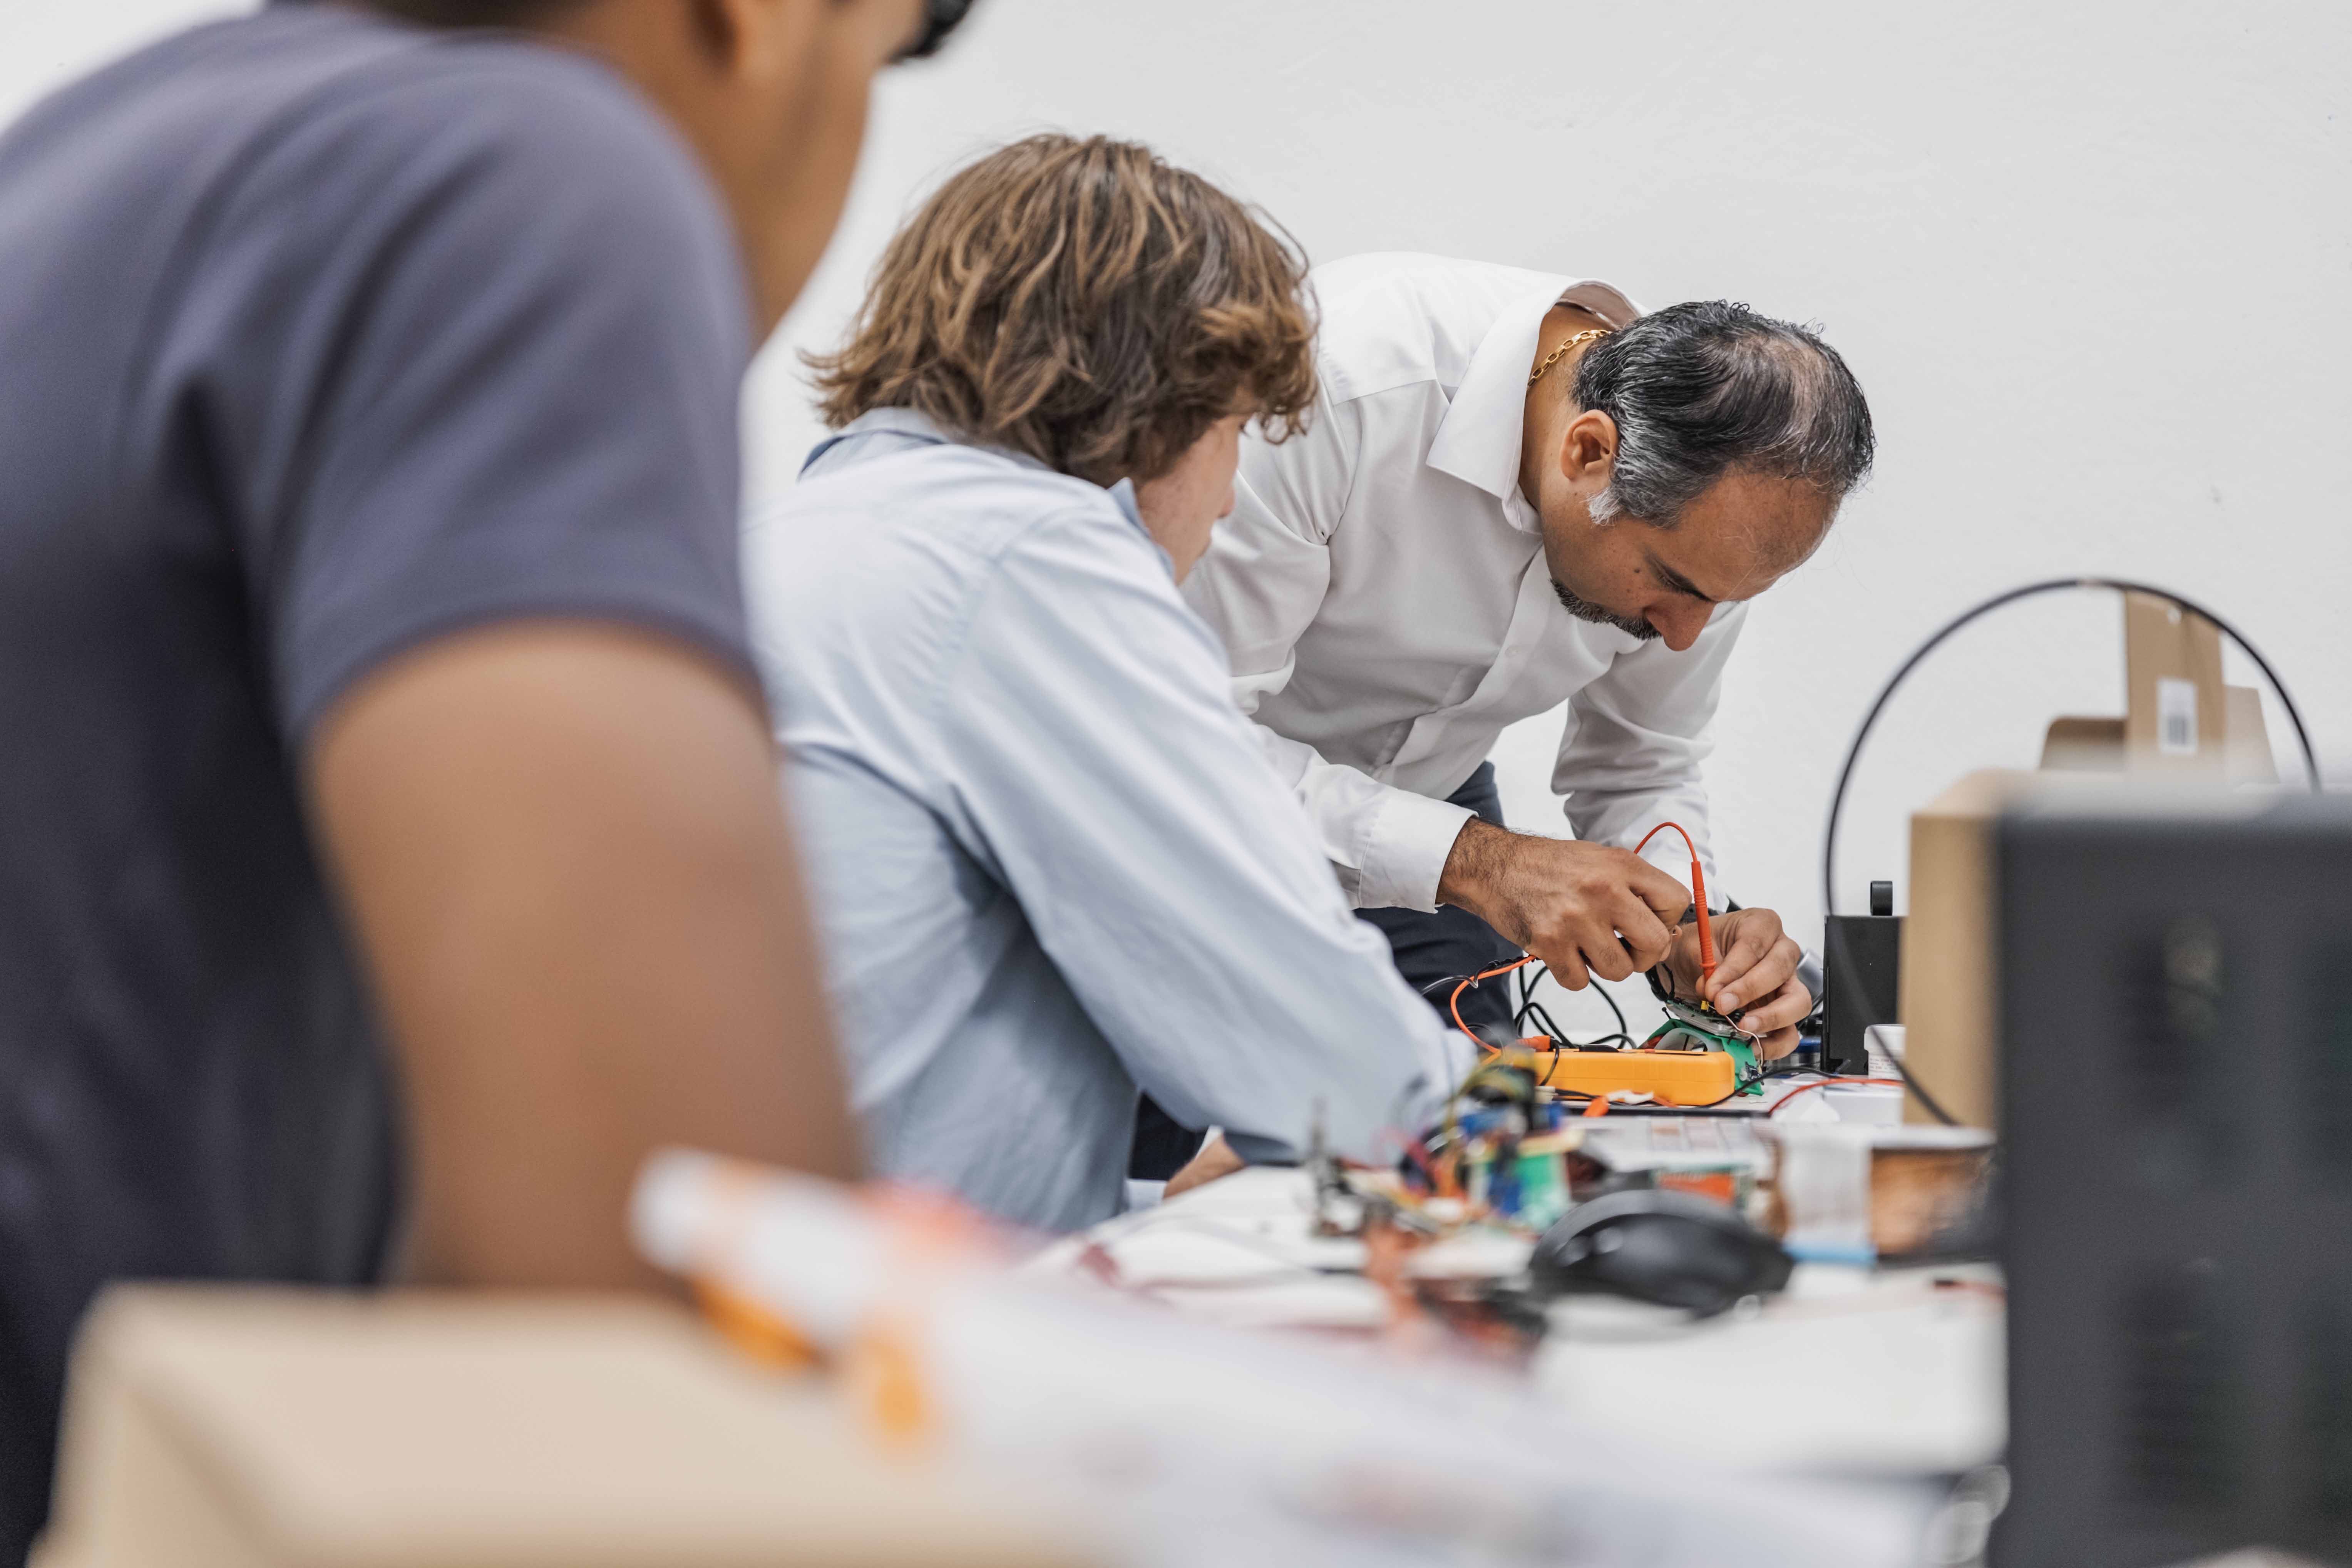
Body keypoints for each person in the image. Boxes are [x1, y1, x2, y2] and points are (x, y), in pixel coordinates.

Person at [0, 0, 968, 1554]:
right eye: (886, 60)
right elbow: (660, 1349)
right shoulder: (521, 171)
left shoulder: (86, 163)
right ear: (767, 21)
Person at [744, 134, 1465, 1233]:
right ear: (1169, 404)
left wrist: (1142, 1201)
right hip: (888, 1313)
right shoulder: (1029, 555)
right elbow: (1356, 1090)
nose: (1229, 499)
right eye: (1235, 431)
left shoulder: (782, 538)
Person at [1180, 254, 1876, 1058]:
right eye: (1674, 584)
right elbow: (1185, 747)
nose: (1685, 634)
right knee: (1172, 1120)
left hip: (1430, 806)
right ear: (1588, 452)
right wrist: (1481, 863)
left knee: (1481, 1108)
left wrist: (1691, 927)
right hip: (1189, 808)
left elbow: (1638, 764)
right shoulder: (1331, 391)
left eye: (1724, 603)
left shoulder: (1705, 508)